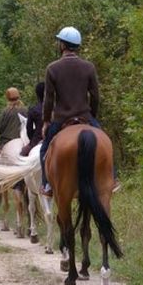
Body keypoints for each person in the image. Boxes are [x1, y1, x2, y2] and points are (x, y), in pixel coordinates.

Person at [39, 26, 119, 195]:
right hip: (85, 116)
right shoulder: (88, 67)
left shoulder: (52, 68)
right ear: (77, 46)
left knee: (44, 149)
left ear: (62, 45)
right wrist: (92, 116)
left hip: (61, 119)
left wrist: (46, 121)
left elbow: (49, 99)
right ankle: (112, 178)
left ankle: (46, 184)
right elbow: (95, 96)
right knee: (106, 143)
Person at [20, 82, 44, 156]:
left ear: (37, 95)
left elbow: (29, 129)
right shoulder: (56, 108)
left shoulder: (33, 110)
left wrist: (32, 139)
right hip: (55, 137)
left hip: (37, 139)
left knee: (21, 155)